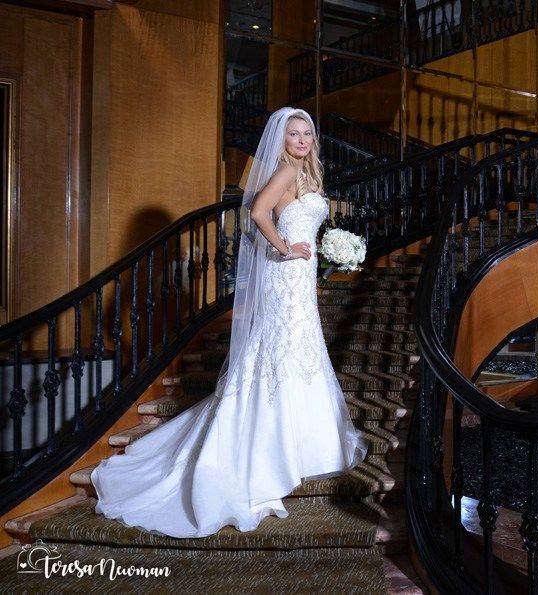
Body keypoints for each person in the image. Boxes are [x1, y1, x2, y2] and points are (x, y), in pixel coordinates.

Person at [90, 107, 369, 538]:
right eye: (294, 134)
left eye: (307, 134)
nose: (301, 140)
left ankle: (303, 445)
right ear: (282, 140)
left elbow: (297, 220)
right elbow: (257, 212)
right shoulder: (282, 172)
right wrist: (284, 249)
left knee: (300, 349)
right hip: (285, 276)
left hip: (297, 279)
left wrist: (320, 248)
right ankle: (271, 454)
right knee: (280, 349)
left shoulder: (307, 176)